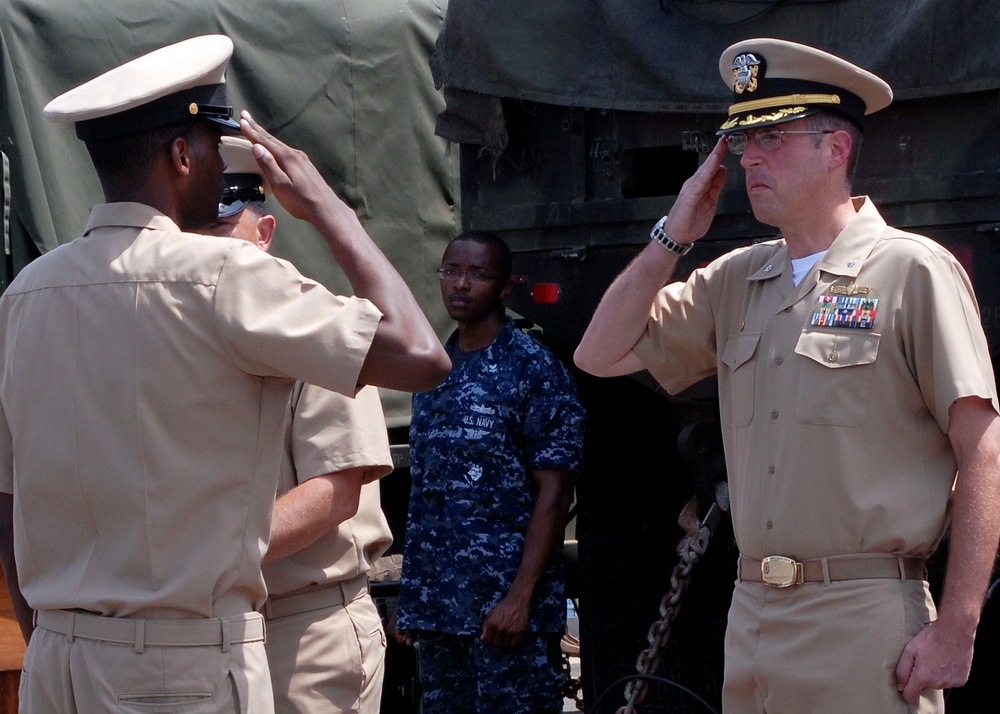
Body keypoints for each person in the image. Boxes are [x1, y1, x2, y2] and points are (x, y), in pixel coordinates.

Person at [0, 35, 449, 713]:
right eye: (214, 146)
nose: (218, 171)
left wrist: (52, 638)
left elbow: (12, 497)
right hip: (177, 667)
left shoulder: (27, 293)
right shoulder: (220, 278)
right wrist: (330, 209)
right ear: (183, 154)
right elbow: (422, 356)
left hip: (59, 662)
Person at [575, 37, 1000, 713]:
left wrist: (959, 622)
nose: (748, 157)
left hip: (863, 616)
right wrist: (672, 234)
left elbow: (980, 448)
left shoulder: (911, 271)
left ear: (835, 150)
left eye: (772, 136)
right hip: (753, 616)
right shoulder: (739, 279)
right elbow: (599, 354)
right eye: (743, 141)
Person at [202, 136, 394, 714]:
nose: (203, 253)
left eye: (220, 235)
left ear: (263, 234)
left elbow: (334, 493)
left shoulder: (317, 325)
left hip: (303, 628)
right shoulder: (188, 331)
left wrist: (200, 553)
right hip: (213, 622)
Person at [391, 231, 586, 713]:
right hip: (439, 614)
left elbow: (556, 492)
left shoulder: (532, 369)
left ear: (504, 287)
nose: (461, 284)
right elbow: (427, 493)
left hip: (504, 616)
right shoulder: (435, 367)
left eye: (477, 275)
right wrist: (414, 598)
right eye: (451, 271)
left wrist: (520, 598)